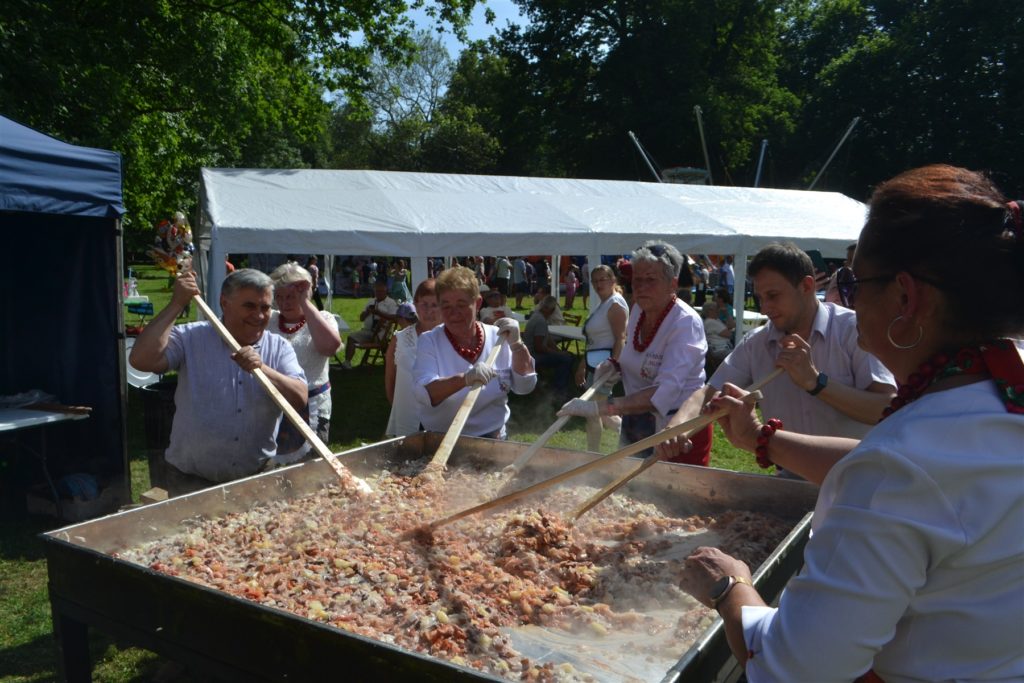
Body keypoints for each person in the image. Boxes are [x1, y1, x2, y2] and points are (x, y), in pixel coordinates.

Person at [679, 164, 1024, 682]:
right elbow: (926, 480)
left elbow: (794, 669)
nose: (848, 297)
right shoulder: (992, 390)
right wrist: (758, 438)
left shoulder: (899, 467)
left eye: (852, 281)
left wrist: (731, 588)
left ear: (906, 298)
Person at [657, 243, 896, 471]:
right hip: (790, 481)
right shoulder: (757, 343)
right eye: (760, 297)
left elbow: (887, 408)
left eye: (773, 295)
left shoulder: (852, 330)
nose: (764, 308)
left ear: (806, 286)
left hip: (855, 480)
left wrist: (816, 382)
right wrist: (676, 428)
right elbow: (708, 393)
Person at [129, 269, 308, 496]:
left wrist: (262, 369)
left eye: (265, 308)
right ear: (225, 303)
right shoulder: (191, 337)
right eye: (249, 306)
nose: (259, 315)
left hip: (255, 476)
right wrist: (177, 304)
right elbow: (141, 360)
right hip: (190, 479)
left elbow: (300, 398)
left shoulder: (279, 348)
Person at [558, 241, 710, 464]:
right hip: (637, 421)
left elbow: (663, 392)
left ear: (673, 284)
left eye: (651, 280)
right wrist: (615, 366)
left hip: (677, 431)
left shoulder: (685, 323)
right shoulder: (639, 309)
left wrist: (598, 408)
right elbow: (635, 355)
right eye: (637, 279)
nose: (641, 287)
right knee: (628, 484)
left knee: (669, 486)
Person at [413, 266, 537, 439]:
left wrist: (517, 344)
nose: (453, 313)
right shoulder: (430, 341)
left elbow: (525, 386)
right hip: (442, 440)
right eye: (446, 306)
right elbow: (425, 393)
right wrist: (465, 379)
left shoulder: (498, 337)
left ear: (477, 303)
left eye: (461, 305)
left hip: (494, 439)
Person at [266, 262, 341, 463]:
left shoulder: (323, 318)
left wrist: (304, 302)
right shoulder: (269, 319)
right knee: (271, 464)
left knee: (309, 466)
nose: (284, 302)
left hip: (313, 405)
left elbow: (329, 348)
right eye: (279, 296)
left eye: (290, 296)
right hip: (273, 404)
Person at [574, 264, 629, 450]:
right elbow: (594, 342)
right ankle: (631, 436)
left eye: (602, 280)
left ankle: (592, 455)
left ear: (613, 280)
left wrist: (612, 366)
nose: (598, 284)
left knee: (593, 412)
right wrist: (582, 365)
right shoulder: (603, 305)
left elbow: (621, 339)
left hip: (605, 367)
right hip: (595, 365)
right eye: (595, 281)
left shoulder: (615, 304)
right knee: (600, 413)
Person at [385, 280, 441, 437]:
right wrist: (395, 404)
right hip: (407, 412)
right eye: (424, 305)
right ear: (415, 305)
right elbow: (390, 375)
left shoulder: (448, 338)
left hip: (439, 414)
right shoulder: (401, 339)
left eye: (435, 305)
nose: (429, 311)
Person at [524, 295, 576, 398]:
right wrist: (558, 353)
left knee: (564, 356)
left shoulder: (537, 316)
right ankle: (559, 390)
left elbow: (548, 339)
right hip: (533, 356)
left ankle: (554, 384)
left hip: (529, 353)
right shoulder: (540, 321)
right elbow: (539, 347)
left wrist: (559, 352)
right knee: (566, 359)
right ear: (552, 311)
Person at [341, 280, 398, 369]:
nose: (379, 293)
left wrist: (379, 313)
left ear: (386, 291)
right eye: (377, 291)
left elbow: (395, 318)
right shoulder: (371, 301)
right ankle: (347, 362)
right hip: (367, 331)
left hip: (382, 333)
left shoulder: (391, 303)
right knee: (351, 337)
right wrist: (368, 312)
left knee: (379, 339)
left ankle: (388, 358)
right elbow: (361, 318)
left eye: (381, 291)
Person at [700, 300, 733, 371]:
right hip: (720, 350)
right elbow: (729, 334)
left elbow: (731, 325)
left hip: (723, 349)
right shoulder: (710, 322)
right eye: (717, 308)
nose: (719, 310)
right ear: (710, 311)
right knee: (740, 356)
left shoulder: (716, 320)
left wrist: (727, 314)